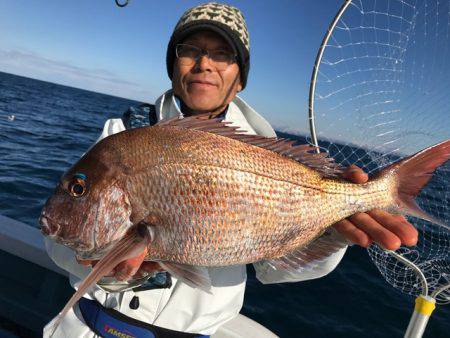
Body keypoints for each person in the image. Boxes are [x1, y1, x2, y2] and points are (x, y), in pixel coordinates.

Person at [44, 2, 418, 337]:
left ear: (239, 78)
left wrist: (333, 235)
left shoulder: (265, 151)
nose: (204, 63)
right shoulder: (121, 135)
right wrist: (107, 269)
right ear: (174, 65)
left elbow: (276, 271)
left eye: (222, 54)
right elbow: (60, 240)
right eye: (190, 50)